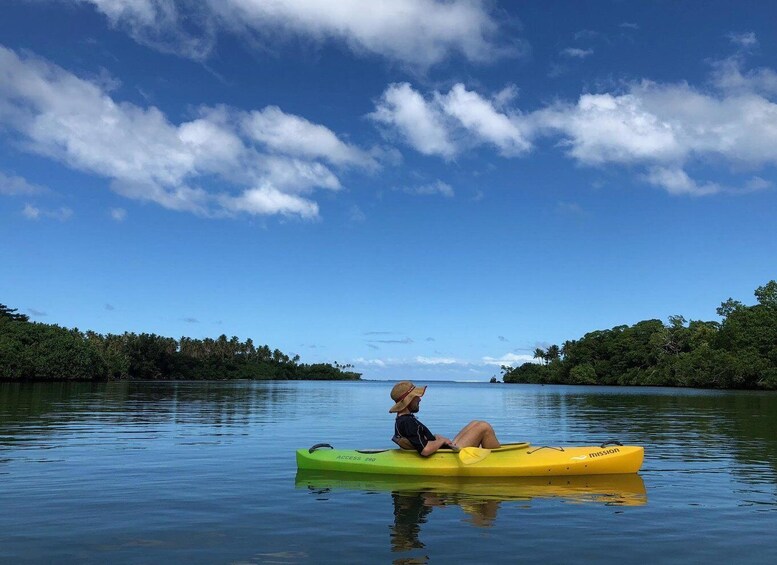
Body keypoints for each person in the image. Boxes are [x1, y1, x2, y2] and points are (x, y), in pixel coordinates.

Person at [389, 380, 501, 456]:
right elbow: (425, 450)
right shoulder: (408, 422)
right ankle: (499, 459)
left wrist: (436, 438)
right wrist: (441, 440)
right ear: (409, 400)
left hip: (444, 450)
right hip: (446, 455)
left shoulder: (403, 420)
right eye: (416, 397)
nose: (420, 399)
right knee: (484, 427)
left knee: (475, 423)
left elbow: (419, 440)